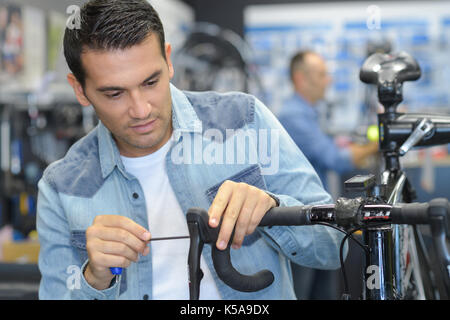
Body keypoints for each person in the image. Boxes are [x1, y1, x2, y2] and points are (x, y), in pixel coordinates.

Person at [37, 0, 346, 300]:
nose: (141, 109)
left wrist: (274, 209)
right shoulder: (62, 187)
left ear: (169, 60)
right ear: (80, 89)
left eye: (150, 82)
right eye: (115, 93)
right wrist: (94, 278)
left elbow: (336, 244)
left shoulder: (245, 122)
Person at [277, 50, 378, 299]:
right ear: (301, 79)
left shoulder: (310, 114)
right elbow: (334, 158)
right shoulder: (293, 116)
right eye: (322, 75)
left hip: (320, 223)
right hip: (302, 227)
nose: (328, 80)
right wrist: (382, 140)